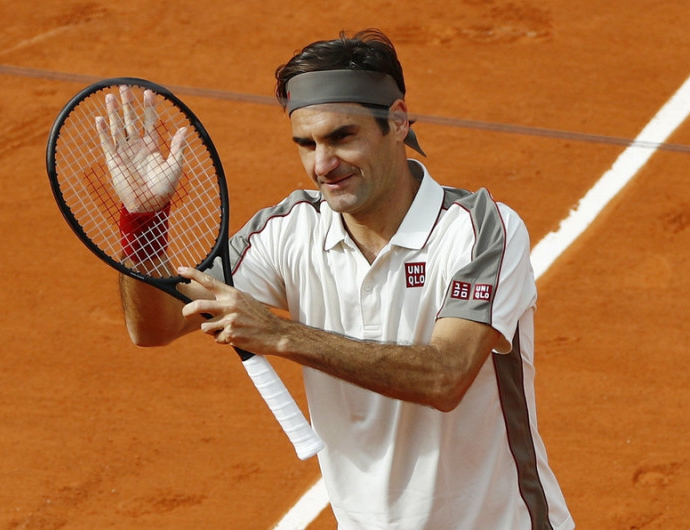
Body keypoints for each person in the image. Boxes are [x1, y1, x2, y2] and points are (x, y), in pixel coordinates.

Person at [112, 29, 574, 530]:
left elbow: (445, 375)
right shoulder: (288, 231)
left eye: (341, 137)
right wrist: (144, 222)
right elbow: (154, 327)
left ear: (397, 121)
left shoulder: (482, 230)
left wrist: (281, 333)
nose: (322, 165)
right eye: (305, 144)